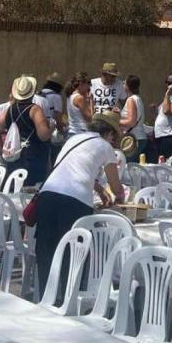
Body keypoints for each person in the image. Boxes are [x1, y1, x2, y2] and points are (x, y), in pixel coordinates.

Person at [35, 112, 126, 293]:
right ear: (109, 134)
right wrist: (120, 196)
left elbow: (71, 168)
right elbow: (115, 186)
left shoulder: (73, 140)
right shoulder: (105, 146)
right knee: (72, 251)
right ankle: (68, 297)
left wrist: (98, 189)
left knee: (47, 248)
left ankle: (47, 296)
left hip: (48, 194)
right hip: (75, 200)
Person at [0, 75, 53, 186]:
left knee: (15, 190)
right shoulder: (35, 109)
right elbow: (43, 135)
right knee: (31, 192)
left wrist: (2, 153)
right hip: (34, 158)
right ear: (33, 91)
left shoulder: (8, 110)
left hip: (14, 158)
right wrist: (52, 128)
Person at [152, 72, 172, 161]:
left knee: (167, 161)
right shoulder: (169, 97)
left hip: (169, 135)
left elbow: (166, 111)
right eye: (166, 82)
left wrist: (167, 94)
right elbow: (163, 116)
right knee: (160, 160)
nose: (167, 85)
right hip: (160, 134)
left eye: (169, 83)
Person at [119, 75, 148, 160]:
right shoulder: (137, 98)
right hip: (139, 137)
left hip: (134, 139)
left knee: (130, 167)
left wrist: (116, 121)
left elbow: (131, 121)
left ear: (128, 86)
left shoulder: (131, 100)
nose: (123, 83)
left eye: (125, 82)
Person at [65, 72, 93, 136]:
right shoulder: (79, 98)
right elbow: (90, 118)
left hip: (73, 131)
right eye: (88, 83)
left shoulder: (70, 96)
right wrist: (91, 100)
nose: (89, 86)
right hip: (80, 132)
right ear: (81, 84)